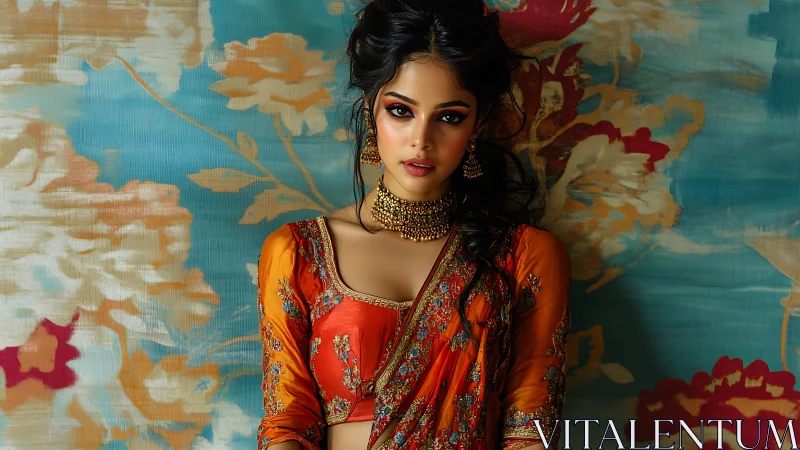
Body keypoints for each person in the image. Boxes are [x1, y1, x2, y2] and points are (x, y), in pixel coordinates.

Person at [255, 0, 571, 448]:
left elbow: (530, 431)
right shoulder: (298, 252)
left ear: (478, 124)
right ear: (371, 110)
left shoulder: (524, 256)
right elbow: (287, 423)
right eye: (401, 111)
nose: (421, 140)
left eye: (449, 117)